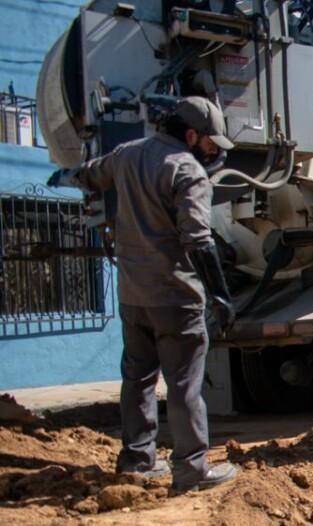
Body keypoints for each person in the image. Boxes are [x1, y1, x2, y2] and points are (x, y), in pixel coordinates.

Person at [50, 96, 238, 492]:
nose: (212, 150)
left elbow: (90, 174)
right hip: (176, 296)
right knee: (185, 382)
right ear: (191, 135)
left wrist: (68, 176)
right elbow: (198, 241)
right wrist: (221, 295)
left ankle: (136, 461)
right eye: (210, 142)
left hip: (133, 295)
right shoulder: (188, 171)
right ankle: (191, 468)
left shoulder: (127, 155)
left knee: (137, 378)